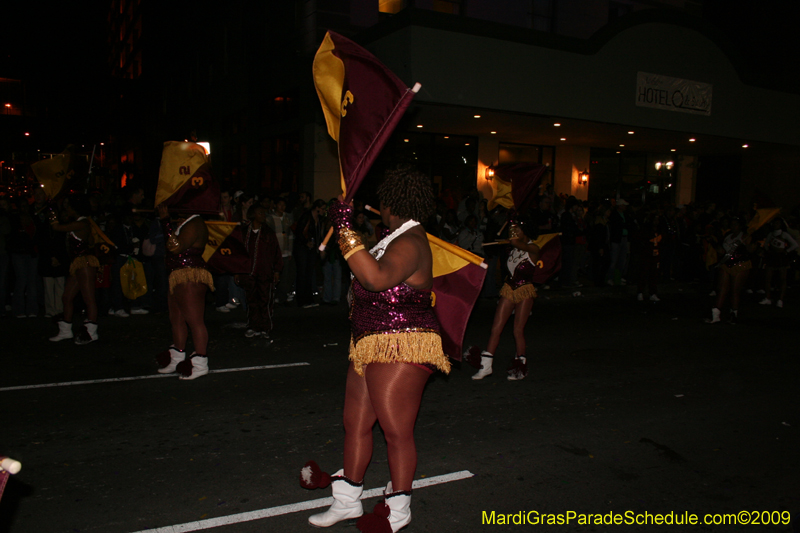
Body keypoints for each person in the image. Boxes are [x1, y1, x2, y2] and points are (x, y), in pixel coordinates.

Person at [302, 167, 449, 532]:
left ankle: (398, 511)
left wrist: (346, 230)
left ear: (389, 204)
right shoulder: (395, 237)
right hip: (368, 341)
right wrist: (351, 232)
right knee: (355, 424)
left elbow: (375, 278)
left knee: (396, 430)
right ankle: (348, 500)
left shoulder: (411, 242)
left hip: (401, 343)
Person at [471, 215, 540, 381]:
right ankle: (486, 367)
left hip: (525, 290)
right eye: (513, 230)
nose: (514, 232)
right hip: (509, 288)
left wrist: (511, 227)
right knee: (496, 328)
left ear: (526, 231)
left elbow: (516, 242)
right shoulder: (513, 249)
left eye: (517, 229)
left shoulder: (534, 248)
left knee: (518, 330)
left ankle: (519, 367)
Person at [155, 204, 213, 380]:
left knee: (195, 321)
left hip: (190, 276)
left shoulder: (195, 222)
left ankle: (200, 363)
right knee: (177, 319)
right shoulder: (187, 221)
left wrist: (165, 221)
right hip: (178, 276)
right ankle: (177, 357)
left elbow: (175, 247)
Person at [48, 195, 100, 344]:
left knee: (88, 298)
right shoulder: (81, 222)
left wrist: (52, 210)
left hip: (85, 264)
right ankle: (65, 331)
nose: (67, 209)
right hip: (78, 264)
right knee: (66, 297)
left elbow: (56, 227)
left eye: (69, 207)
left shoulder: (83, 223)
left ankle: (91, 333)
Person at [238, 205, 283, 338]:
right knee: (251, 300)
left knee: (265, 300)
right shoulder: (245, 232)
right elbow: (239, 253)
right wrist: (237, 271)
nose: (263, 215)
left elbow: (276, 253)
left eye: (263, 213)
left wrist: (277, 271)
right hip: (249, 273)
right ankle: (253, 325)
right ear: (253, 215)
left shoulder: (268, 233)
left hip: (265, 272)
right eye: (260, 213)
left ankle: (265, 327)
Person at [706, 217, 756, 324]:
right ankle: (716, 315)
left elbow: (751, 250)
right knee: (722, 289)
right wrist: (713, 243)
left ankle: (733, 314)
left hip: (740, 264)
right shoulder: (727, 236)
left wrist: (747, 242)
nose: (733, 226)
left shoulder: (744, 236)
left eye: (735, 224)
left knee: (735, 290)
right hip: (726, 264)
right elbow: (722, 251)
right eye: (732, 224)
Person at [759, 217, 798, 308]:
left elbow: (795, 244)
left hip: (781, 258)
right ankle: (767, 297)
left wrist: (786, 251)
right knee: (768, 278)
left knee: (782, 279)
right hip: (772, 257)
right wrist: (768, 251)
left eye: (778, 223)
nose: (776, 225)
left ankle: (780, 299)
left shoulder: (784, 234)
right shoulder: (770, 234)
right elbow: (766, 244)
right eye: (774, 223)